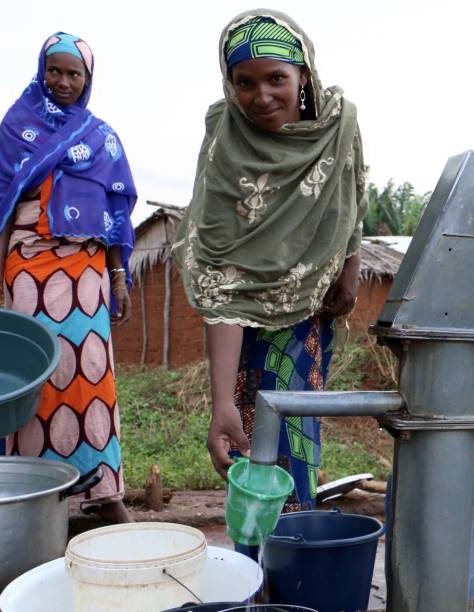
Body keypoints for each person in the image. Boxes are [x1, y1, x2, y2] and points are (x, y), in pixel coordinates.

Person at [172, 10, 367, 551]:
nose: (261, 96)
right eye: (245, 82)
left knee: (296, 442)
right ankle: (259, 569)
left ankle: (292, 564)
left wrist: (349, 266)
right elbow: (221, 272)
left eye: (276, 78)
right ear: (228, 83)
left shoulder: (340, 122)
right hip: (237, 328)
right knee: (251, 444)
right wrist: (221, 403)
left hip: (309, 310)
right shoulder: (225, 139)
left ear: (303, 73)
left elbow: (353, 191)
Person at [0, 33, 136, 523]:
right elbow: (2, 209)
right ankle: (36, 501)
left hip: (87, 274)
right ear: (41, 69)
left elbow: (116, 211)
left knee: (91, 378)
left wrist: (118, 276)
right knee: (35, 379)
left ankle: (103, 493)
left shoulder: (102, 137)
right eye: (55, 70)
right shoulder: (17, 126)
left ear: (89, 80)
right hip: (28, 268)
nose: (64, 81)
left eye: (75, 74)